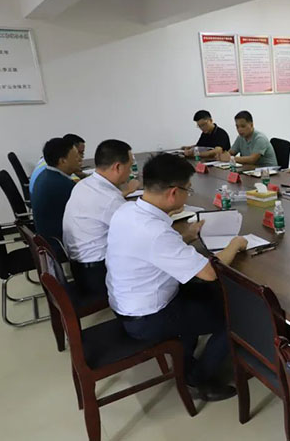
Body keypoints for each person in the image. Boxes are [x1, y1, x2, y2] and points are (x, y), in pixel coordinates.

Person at [106, 153, 248, 401]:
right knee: (237, 316)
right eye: (188, 190)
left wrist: (187, 236)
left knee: (208, 295)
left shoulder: (127, 210)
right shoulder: (156, 231)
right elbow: (209, 273)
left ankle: (186, 356)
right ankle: (198, 379)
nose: (188, 195)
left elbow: (153, 249)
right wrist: (235, 244)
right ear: (173, 192)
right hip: (146, 317)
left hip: (127, 302)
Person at [62, 139, 141, 299]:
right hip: (97, 275)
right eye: (130, 166)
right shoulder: (110, 199)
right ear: (117, 167)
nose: (131, 171)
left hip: (79, 268)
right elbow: (140, 234)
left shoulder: (84, 184)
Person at [31, 136, 82, 255]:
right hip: (59, 245)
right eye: (76, 156)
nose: (80, 159)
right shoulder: (61, 185)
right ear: (62, 161)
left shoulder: (45, 175)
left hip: (48, 239)